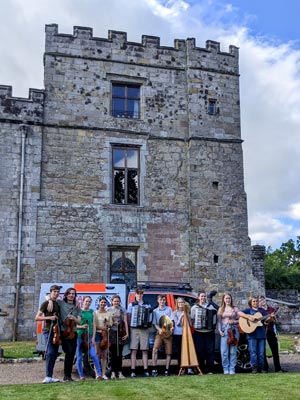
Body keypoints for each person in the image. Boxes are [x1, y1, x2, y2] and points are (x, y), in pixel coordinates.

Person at [35, 284, 62, 384]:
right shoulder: (46, 303)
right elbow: (37, 317)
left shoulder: (57, 303)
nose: (56, 293)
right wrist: (49, 318)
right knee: (50, 352)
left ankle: (50, 376)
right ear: (51, 292)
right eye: (54, 291)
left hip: (56, 331)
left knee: (54, 354)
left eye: (57, 292)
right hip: (48, 330)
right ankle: (47, 376)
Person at [238, 295, 271, 373]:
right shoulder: (248, 310)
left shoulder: (262, 310)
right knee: (253, 352)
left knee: (261, 353)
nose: (255, 302)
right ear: (251, 302)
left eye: (256, 301)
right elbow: (239, 313)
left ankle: (262, 368)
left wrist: (270, 317)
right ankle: (254, 368)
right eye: (253, 301)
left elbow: (267, 319)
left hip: (261, 334)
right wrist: (249, 318)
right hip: (251, 334)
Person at [76, 296, 103, 381]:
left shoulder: (92, 312)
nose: (87, 303)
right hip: (79, 336)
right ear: (83, 302)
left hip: (89, 336)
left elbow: (94, 325)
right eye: (86, 301)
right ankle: (81, 376)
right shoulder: (79, 311)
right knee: (79, 357)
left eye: (89, 302)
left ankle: (98, 375)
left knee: (94, 355)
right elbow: (74, 326)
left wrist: (93, 337)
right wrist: (82, 326)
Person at [127, 288, 152, 378]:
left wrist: (148, 323)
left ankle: (146, 370)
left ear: (143, 295)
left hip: (144, 329)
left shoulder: (147, 304)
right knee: (134, 350)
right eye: (138, 294)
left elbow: (150, 316)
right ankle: (133, 370)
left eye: (141, 294)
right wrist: (130, 327)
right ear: (135, 295)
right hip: (134, 329)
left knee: (144, 350)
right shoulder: (131, 305)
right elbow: (128, 317)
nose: (140, 295)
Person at [191, 291, 218, 374]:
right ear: (198, 297)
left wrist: (212, 323)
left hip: (209, 332)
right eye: (201, 296)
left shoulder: (211, 307)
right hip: (198, 332)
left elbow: (215, 316)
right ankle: (201, 369)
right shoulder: (194, 308)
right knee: (200, 351)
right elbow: (192, 319)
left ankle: (210, 369)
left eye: (204, 296)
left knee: (210, 351)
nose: (203, 298)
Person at [258, 295, 287, 373]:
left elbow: (276, 321)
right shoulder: (258, 310)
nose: (262, 301)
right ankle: (265, 368)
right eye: (260, 300)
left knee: (275, 351)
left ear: (265, 300)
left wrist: (273, 318)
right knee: (262, 351)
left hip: (270, 331)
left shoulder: (271, 309)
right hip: (261, 332)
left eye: (263, 299)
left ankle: (278, 369)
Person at [151, 294, 174, 377]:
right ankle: (154, 368)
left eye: (164, 300)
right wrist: (159, 329)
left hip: (168, 333)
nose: (162, 301)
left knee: (168, 352)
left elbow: (171, 320)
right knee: (154, 350)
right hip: (160, 333)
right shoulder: (155, 311)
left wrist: (171, 328)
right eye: (160, 300)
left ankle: (167, 370)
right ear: (158, 301)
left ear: (165, 301)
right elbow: (154, 323)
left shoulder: (169, 309)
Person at [217, 293, 240, 375]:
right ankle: (225, 368)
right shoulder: (221, 309)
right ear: (223, 299)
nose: (228, 300)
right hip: (225, 330)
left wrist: (234, 321)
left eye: (229, 298)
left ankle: (232, 368)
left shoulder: (235, 309)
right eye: (226, 298)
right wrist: (220, 331)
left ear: (231, 299)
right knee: (224, 351)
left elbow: (240, 320)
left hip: (234, 330)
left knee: (233, 351)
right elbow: (219, 322)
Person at [107, 295, 129, 379]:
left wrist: (127, 333)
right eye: (115, 301)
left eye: (117, 301)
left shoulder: (122, 309)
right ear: (112, 301)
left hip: (120, 332)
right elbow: (107, 323)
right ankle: (113, 373)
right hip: (112, 333)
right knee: (113, 354)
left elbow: (125, 322)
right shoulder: (108, 310)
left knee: (119, 354)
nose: (116, 302)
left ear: (120, 302)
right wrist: (112, 323)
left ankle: (120, 373)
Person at [93, 296, 113, 380]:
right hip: (97, 334)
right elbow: (95, 325)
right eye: (101, 302)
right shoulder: (95, 313)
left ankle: (104, 374)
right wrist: (102, 328)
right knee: (97, 354)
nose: (103, 304)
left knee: (104, 355)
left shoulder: (108, 313)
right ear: (99, 303)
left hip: (106, 335)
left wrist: (107, 324)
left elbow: (111, 324)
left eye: (104, 302)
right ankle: (97, 374)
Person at [172, 297, 191, 374]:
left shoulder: (187, 312)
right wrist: (181, 317)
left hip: (186, 334)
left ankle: (188, 368)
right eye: (179, 303)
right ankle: (181, 367)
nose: (181, 304)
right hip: (178, 334)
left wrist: (187, 315)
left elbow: (190, 324)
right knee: (179, 351)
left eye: (182, 302)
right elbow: (178, 324)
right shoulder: (174, 313)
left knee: (187, 351)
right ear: (177, 304)